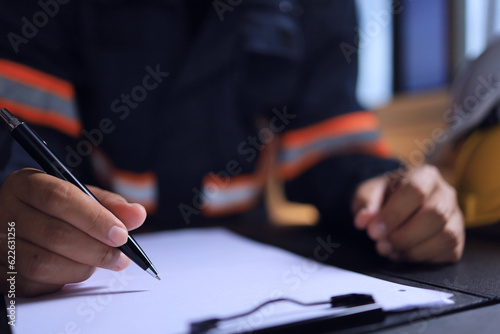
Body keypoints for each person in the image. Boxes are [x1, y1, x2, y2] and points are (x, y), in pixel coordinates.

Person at [0, 0, 464, 297]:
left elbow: (335, 151)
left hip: (253, 265)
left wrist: (391, 196)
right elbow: (22, 146)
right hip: (83, 275)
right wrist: (15, 216)